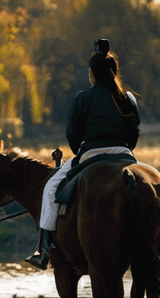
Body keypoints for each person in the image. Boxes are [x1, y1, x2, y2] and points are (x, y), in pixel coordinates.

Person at [26, 38, 140, 270]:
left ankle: (45, 250)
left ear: (92, 73)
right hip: (125, 154)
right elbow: (134, 133)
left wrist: (80, 154)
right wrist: (124, 150)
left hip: (91, 154)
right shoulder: (127, 99)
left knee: (50, 189)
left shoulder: (82, 99)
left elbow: (72, 136)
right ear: (114, 72)